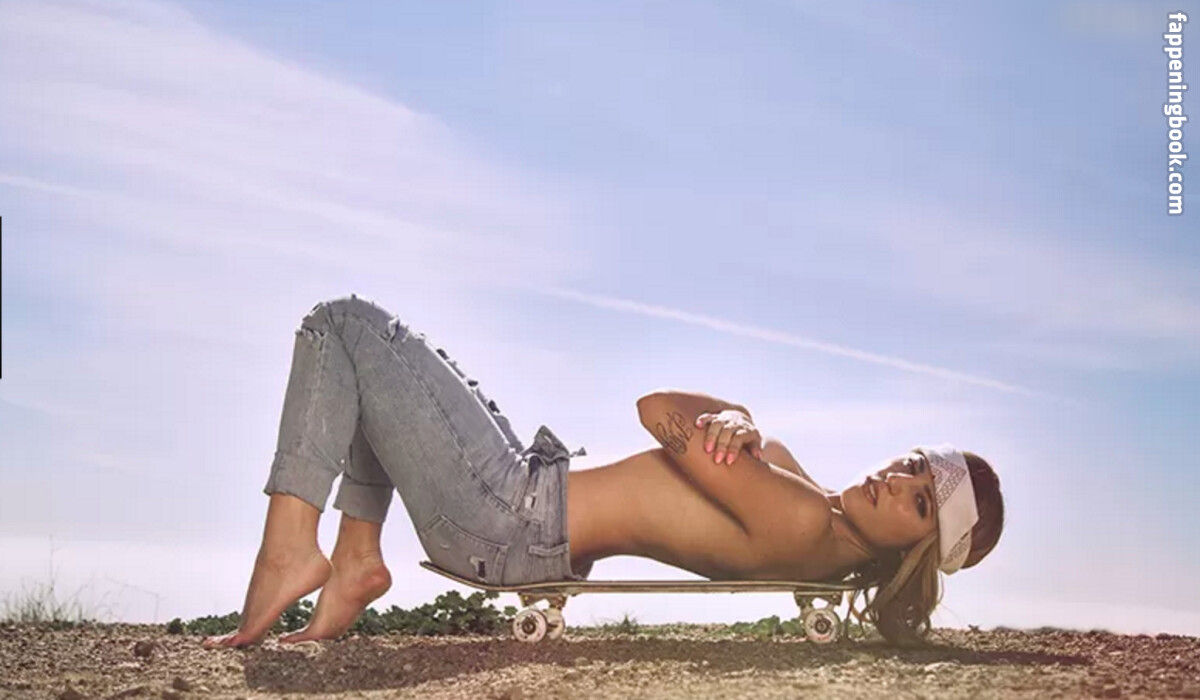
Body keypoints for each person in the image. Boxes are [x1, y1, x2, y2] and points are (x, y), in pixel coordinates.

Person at [203, 295, 1004, 649]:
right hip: (523, 512)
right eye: (910, 467)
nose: (894, 483)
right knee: (397, 376)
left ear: (917, 551)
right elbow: (707, 438)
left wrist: (732, 415)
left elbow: (656, 409)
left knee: (344, 325)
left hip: (510, 516)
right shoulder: (812, 512)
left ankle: (290, 549)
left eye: (919, 504)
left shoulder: (799, 519)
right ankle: (355, 559)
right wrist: (740, 418)